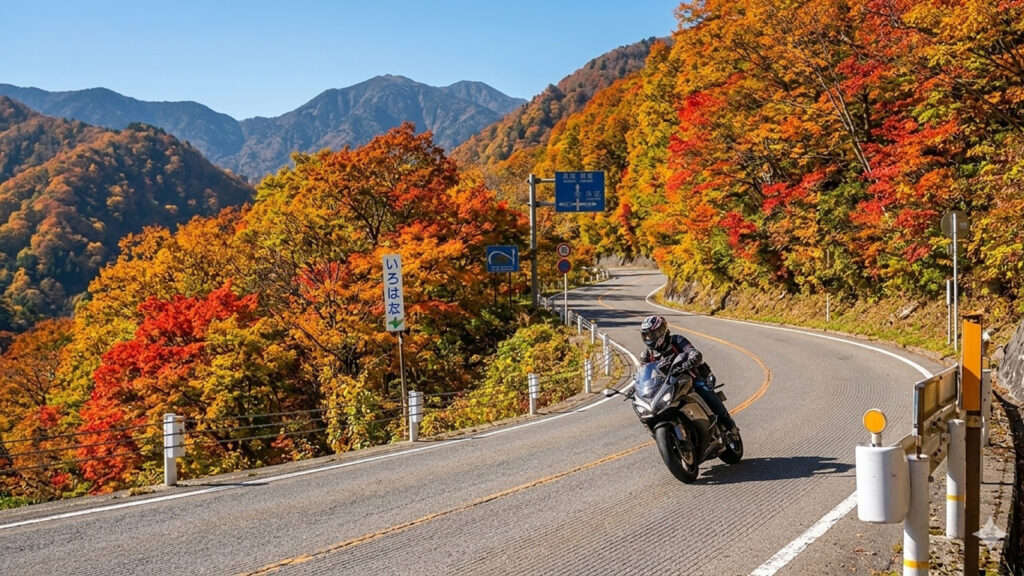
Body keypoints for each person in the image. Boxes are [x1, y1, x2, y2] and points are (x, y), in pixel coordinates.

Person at [639, 315, 739, 439]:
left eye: (653, 334)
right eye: (647, 335)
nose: (650, 338)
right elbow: (643, 373)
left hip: (689, 378)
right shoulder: (646, 355)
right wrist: (636, 386)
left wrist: (692, 358)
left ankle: (730, 426)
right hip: (665, 386)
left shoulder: (677, 340)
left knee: (706, 393)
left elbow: (692, 351)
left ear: (662, 331)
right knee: (650, 410)